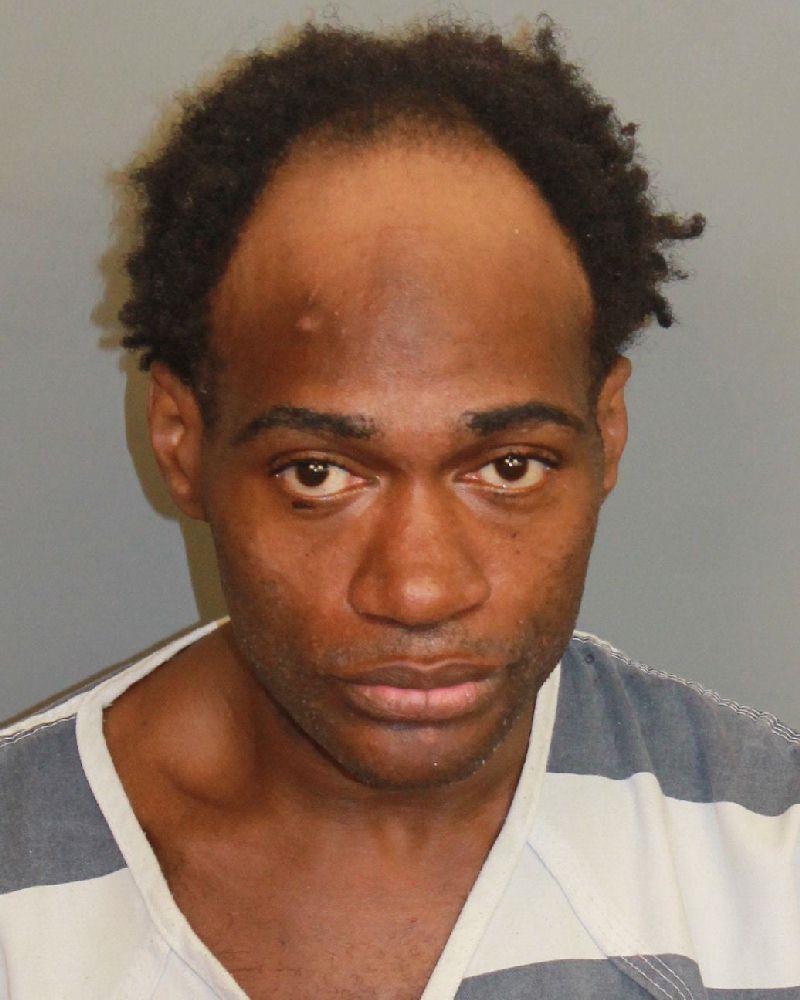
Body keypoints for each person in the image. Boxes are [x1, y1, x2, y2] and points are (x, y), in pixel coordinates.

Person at [1, 17, 797, 1000]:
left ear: (607, 436)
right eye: (318, 474)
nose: (418, 590)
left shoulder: (772, 870)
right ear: (182, 441)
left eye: (508, 466)